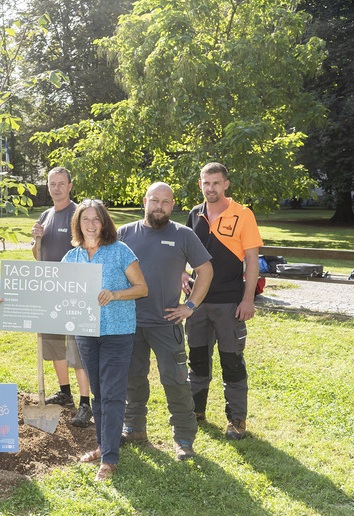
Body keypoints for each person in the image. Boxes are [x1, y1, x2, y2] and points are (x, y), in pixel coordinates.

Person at [117, 182, 213, 460]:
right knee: (132, 379)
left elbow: (205, 271)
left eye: (165, 202)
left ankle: (183, 439)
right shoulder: (124, 233)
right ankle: (134, 428)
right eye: (154, 201)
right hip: (129, 321)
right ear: (145, 201)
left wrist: (191, 305)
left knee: (176, 381)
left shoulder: (183, 235)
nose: (159, 206)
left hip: (165, 323)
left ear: (173, 205)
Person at [63, 199, 148, 481]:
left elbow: (141, 288)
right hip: (86, 333)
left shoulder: (119, 251)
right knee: (99, 394)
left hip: (117, 332)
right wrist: (15, 300)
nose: (90, 224)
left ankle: (109, 459)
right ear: (77, 223)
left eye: (96, 219)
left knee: (112, 395)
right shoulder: (72, 257)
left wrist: (115, 293)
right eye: (85, 219)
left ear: (104, 222)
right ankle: (104, 446)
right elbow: (54, 293)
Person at [184, 163, 263, 440]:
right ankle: (196, 410)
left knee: (232, 362)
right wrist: (182, 271)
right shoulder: (195, 214)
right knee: (197, 359)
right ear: (200, 184)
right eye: (206, 183)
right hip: (196, 304)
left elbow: (252, 261)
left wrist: (248, 299)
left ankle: (236, 420)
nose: (211, 188)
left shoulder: (243, 215)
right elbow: (181, 248)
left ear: (226, 184)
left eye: (216, 183)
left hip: (230, 304)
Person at [30, 167, 93, 427]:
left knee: (76, 350)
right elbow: (38, 256)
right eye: (52, 184)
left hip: (75, 293)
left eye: (61, 183)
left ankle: (86, 403)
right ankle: (65, 393)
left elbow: (91, 251)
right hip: (49, 293)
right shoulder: (45, 216)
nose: (56, 188)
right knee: (54, 346)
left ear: (70, 186)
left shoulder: (78, 215)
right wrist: (36, 240)